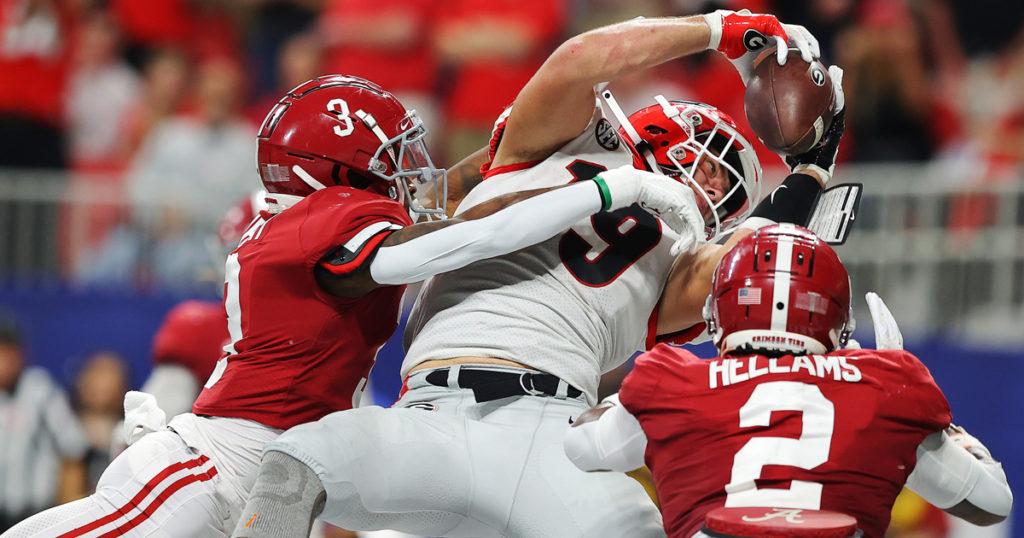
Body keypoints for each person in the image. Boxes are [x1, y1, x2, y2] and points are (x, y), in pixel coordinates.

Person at [3, 74, 699, 538]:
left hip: (287, 459)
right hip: (222, 461)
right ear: (336, 167)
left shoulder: (310, 215)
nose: (409, 167)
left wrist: (498, 164)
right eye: (390, 153)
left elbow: (449, 214)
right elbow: (453, 242)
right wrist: (608, 192)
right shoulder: (328, 216)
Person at [233, 10, 844, 538]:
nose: (714, 184)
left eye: (730, 185)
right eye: (714, 159)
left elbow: (766, 259)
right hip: (428, 415)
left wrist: (815, 164)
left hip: (552, 430)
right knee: (294, 462)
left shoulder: (681, 257)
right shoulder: (553, 146)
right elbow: (581, 58)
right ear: (663, 129)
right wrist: (719, 29)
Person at [562, 225, 1013, 538]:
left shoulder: (671, 378)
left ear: (720, 308)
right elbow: (991, 503)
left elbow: (581, 446)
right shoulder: (887, 385)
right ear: (835, 315)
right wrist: (933, 417)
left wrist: (627, 403)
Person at [0, 319, 87, 532]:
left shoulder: (40, 390)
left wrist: (69, 511)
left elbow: (74, 447)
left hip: (36, 513)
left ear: (20, 354)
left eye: (7, 353)